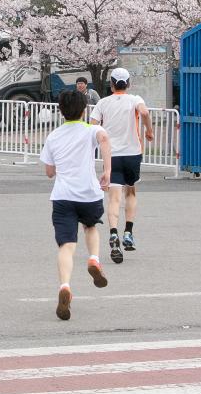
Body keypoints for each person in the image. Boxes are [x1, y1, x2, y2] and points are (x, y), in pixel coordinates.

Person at [42, 89, 112, 321]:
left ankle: (65, 286)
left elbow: (49, 172)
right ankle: (94, 259)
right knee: (91, 227)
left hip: (63, 196)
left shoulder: (53, 136)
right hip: (89, 193)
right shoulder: (91, 130)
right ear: (85, 110)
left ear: (61, 111)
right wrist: (107, 170)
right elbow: (104, 138)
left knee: (66, 245)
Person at [90, 67, 153, 264]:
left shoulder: (102, 102)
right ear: (129, 83)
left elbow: (92, 125)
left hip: (112, 154)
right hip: (132, 153)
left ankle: (113, 233)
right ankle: (128, 232)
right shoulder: (135, 99)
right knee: (131, 193)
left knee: (114, 198)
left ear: (111, 84)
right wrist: (149, 130)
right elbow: (144, 112)